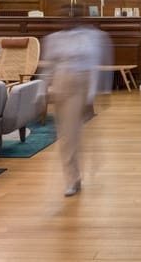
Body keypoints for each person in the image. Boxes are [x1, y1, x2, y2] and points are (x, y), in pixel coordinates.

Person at [41, 21, 104, 197]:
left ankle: (76, 175)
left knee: (74, 134)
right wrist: (43, 92)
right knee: (66, 135)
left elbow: (93, 66)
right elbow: (48, 67)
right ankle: (72, 178)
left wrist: (90, 97)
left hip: (80, 84)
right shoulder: (53, 39)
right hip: (61, 85)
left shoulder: (89, 37)